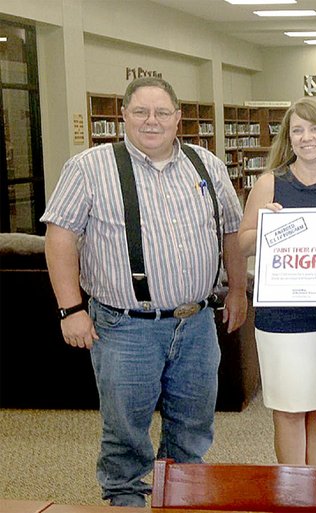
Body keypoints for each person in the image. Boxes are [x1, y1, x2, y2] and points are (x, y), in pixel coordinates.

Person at [41, 76, 248, 506]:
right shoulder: (89, 167)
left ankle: (181, 496)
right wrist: (69, 309)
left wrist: (237, 291)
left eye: (161, 113)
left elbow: (231, 231)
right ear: (123, 117)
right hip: (124, 327)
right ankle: (125, 499)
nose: (151, 121)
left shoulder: (206, 164)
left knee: (193, 427)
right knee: (125, 431)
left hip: (196, 324)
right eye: (140, 112)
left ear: (177, 118)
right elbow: (59, 238)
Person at [238, 98, 316, 466]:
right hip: (283, 315)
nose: (307, 137)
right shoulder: (269, 183)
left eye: (315, 128)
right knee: (289, 407)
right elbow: (242, 243)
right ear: (288, 139)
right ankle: (293, 492)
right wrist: (265, 226)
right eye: (298, 130)